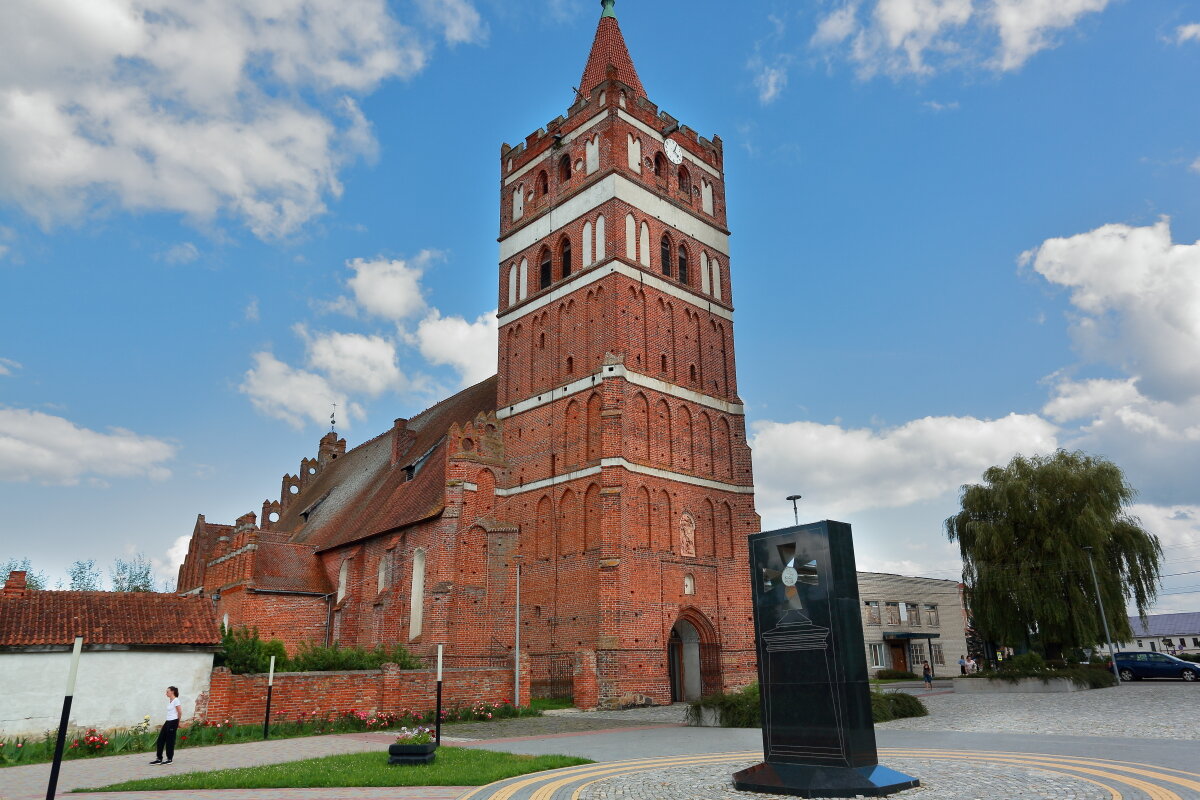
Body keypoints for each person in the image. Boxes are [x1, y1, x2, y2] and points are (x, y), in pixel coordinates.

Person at [150, 686, 181, 765]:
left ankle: (169, 759)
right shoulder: (170, 701)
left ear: (172, 692)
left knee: (170, 741)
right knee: (160, 740)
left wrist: (178, 722)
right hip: (168, 721)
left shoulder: (176, 700)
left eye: (167, 692)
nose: (166, 693)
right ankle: (159, 758)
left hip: (173, 721)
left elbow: (180, 712)